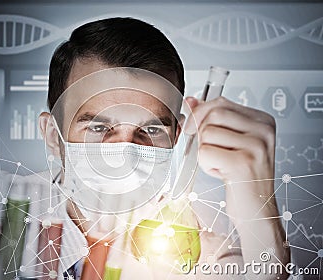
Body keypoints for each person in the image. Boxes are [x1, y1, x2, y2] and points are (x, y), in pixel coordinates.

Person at [38, 17, 290, 279]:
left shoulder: (191, 250)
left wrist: (262, 222)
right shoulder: (5, 220)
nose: (124, 155)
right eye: (98, 128)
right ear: (53, 136)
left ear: (177, 136)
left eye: (151, 130)